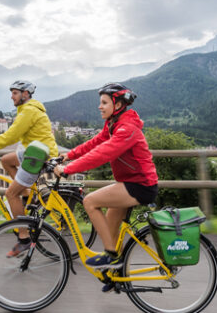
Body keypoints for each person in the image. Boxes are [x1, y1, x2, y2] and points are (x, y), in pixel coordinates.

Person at [54, 83, 158, 275]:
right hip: (129, 183)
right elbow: (95, 143)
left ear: (117, 105)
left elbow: (102, 153)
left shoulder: (127, 129)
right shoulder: (113, 124)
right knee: (110, 230)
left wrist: (68, 169)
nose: (99, 106)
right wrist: (68, 155)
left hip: (140, 186)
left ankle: (112, 257)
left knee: (90, 201)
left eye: (104, 103)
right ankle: (116, 276)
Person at [0, 80, 58, 257]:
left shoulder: (29, 111)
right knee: (6, 160)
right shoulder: (27, 109)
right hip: (34, 150)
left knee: (10, 194)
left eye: (15, 93)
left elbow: (10, 137)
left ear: (25, 94)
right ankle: (26, 195)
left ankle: (24, 239)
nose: (11, 96)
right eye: (12, 93)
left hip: (37, 155)